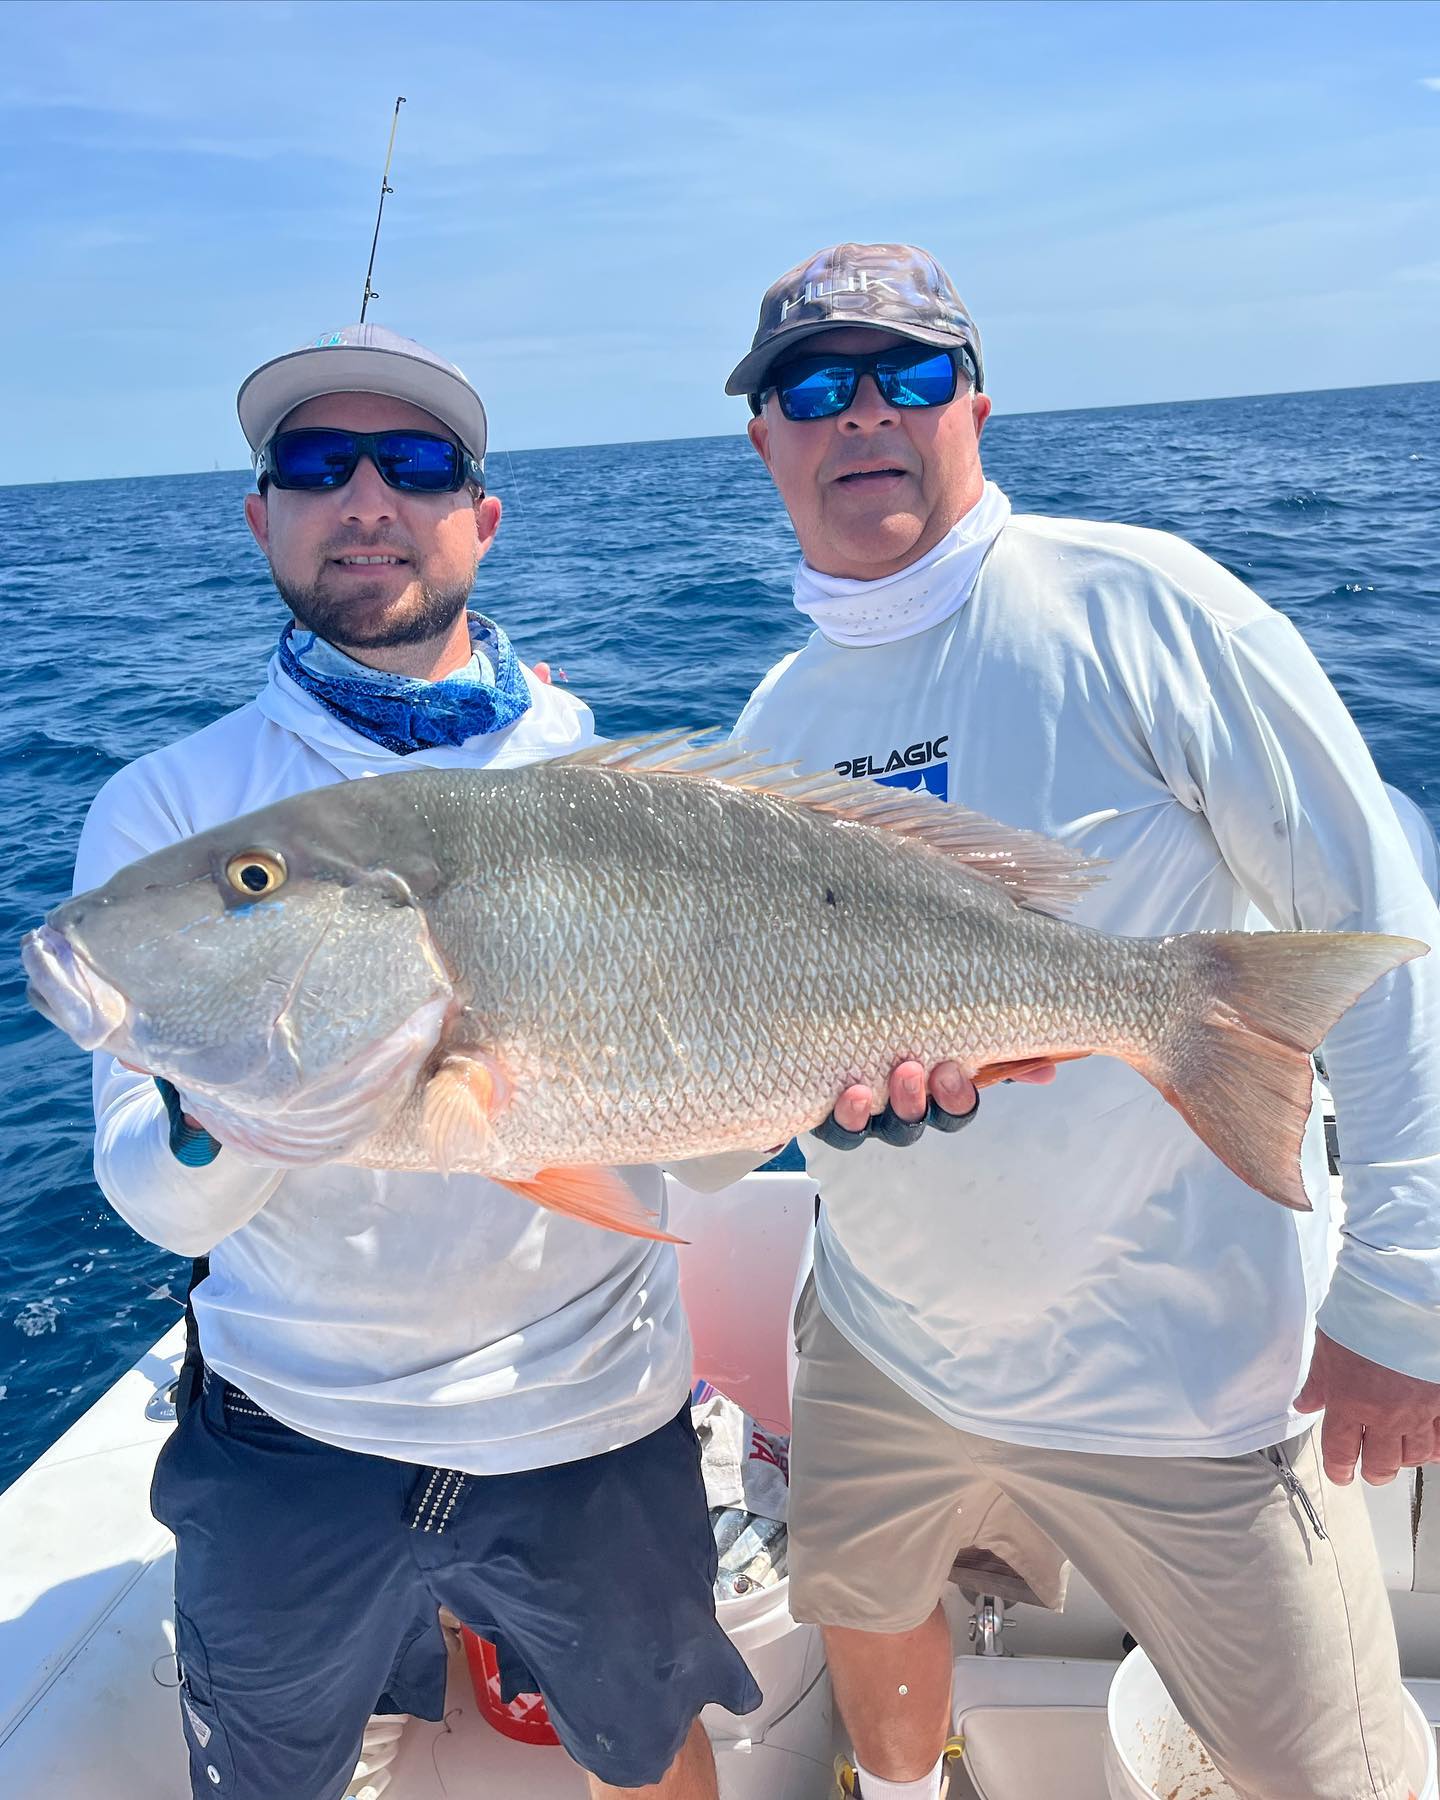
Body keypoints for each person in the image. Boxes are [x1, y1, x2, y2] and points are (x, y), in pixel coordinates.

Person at [725, 243, 1440, 1800]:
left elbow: (1385, 941)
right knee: (861, 1601)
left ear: (974, 401)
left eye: (907, 375)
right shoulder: (771, 731)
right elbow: (738, 1059)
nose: (863, 414)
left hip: (1182, 1378)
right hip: (881, 1340)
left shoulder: (1147, 607)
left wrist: (1404, 1292)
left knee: (1327, 1773)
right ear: (764, 436)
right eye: (811, 386)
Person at [74, 323, 799, 1800]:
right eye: (311, 463)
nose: (364, 498)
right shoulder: (175, 814)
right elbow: (151, 1197)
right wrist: (227, 1113)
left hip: (597, 1420)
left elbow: (703, 1128)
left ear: (481, 514)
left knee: (650, 1755)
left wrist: (833, 1091)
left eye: (413, 464)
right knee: (277, 1770)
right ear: (260, 513)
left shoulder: (605, 776)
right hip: (291, 1430)